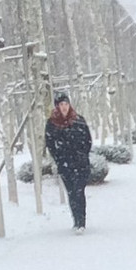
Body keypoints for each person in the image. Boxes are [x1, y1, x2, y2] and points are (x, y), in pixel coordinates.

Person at [44, 91, 92, 234]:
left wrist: (82, 155)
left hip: (80, 164)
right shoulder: (52, 124)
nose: (64, 107)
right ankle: (75, 220)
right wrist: (60, 159)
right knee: (71, 193)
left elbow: (87, 140)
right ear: (57, 106)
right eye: (61, 104)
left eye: (66, 104)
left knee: (79, 191)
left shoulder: (78, 120)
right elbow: (50, 144)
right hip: (65, 165)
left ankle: (81, 221)